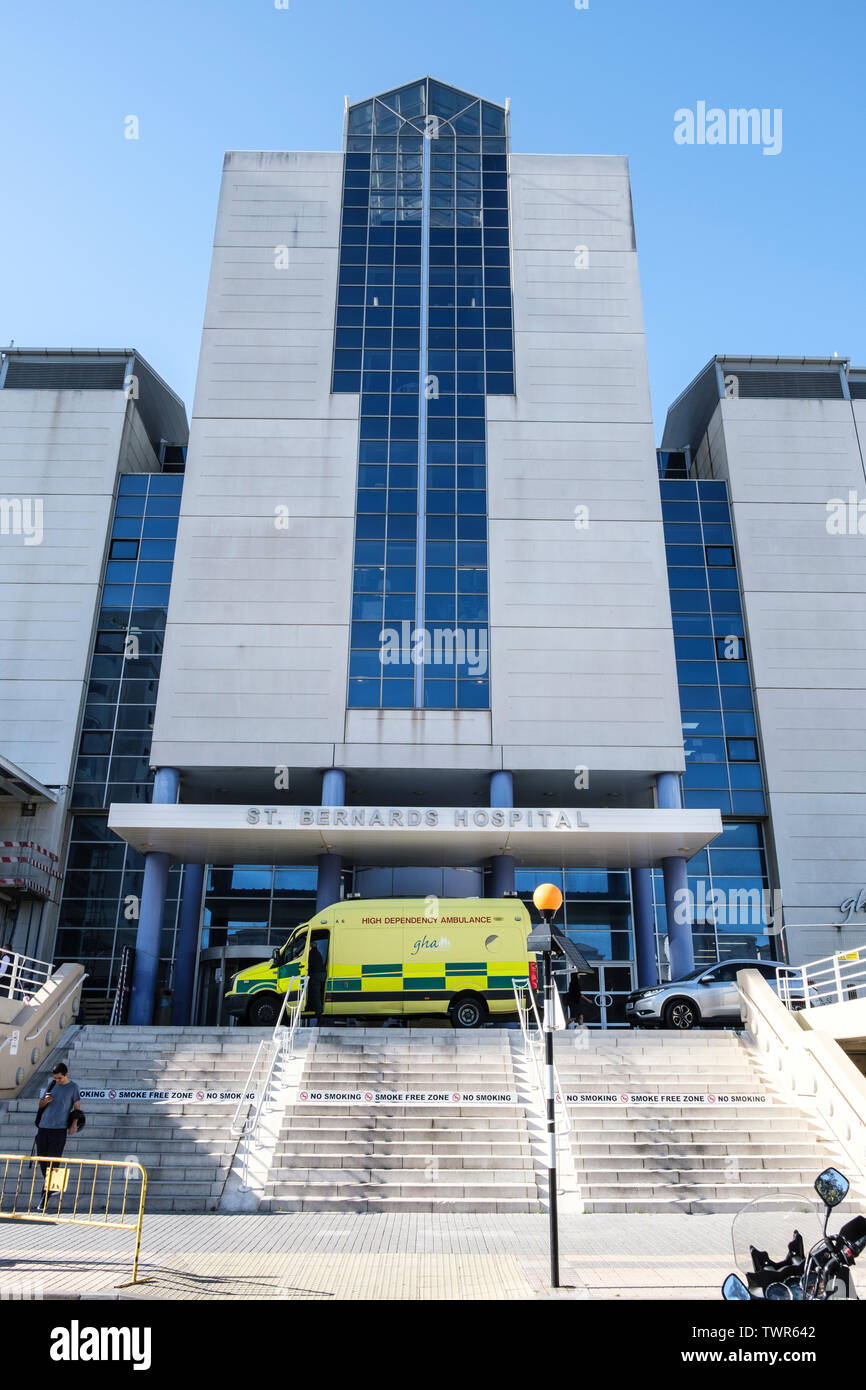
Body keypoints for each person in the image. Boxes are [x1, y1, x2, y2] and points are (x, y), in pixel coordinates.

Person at [35, 1062, 81, 1210]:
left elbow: (77, 1109)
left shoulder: (73, 1087)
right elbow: (40, 1105)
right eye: (55, 1078)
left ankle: (45, 1196)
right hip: (43, 1127)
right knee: (42, 1161)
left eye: (60, 1078)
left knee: (54, 1162)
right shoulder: (52, 1084)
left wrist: (74, 1125)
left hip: (59, 1129)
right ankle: (53, 1187)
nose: (57, 1080)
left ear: (66, 1075)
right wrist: (44, 1101)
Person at [305, 941, 326, 1027]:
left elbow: (308, 965)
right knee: (318, 994)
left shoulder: (311, 954)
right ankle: (316, 1010)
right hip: (321, 975)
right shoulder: (318, 953)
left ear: (310, 947)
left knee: (316, 995)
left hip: (316, 976)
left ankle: (319, 1014)